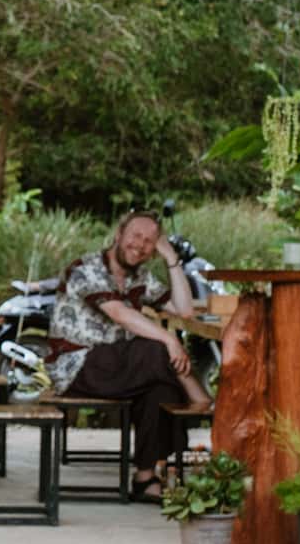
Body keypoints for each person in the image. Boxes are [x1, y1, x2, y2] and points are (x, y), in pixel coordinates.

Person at [48, 209, 211, 502]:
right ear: (118, 235)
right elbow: (120, 314)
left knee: (159, 389)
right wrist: (169, 339)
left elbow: (184, 311)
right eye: (136, 235)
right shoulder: (85, 268)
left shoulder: (141, 278)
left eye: (150, 241)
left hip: (122, 367)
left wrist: (171, 258)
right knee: (156, 347)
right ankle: (199, 399)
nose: (141, 244)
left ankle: (145, 477)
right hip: (78, 364)